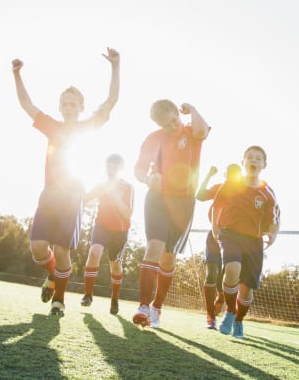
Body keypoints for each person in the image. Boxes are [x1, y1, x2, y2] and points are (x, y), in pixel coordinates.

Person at [12, 48, 120, 317]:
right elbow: (27, 105)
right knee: (38, 248)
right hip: (49, 195)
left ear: (80, 107)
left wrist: (115, 67)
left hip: (73, 198)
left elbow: (111, 101)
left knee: (62, 249)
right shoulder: (51, 126)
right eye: (64, 103)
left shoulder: (87, 127)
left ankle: (59, 301)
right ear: (59, 107)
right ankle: (52, 276)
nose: (68, 107)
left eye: (73, 104)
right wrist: (16, 75)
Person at [132, 99, 210, 328]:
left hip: (183, 203)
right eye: (166, 125)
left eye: (175, 120)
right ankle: (143, 307)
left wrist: (194, 109)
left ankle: (157, 307)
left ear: (178, 113)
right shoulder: (153, 139)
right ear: (158, 124)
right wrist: (148, 179)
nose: (173, 126)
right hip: (157, 198)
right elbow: (138, 170)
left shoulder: (191, 132)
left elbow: (202, 130)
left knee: (168, 257)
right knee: (154, 246)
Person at [212, 145, 280, 339]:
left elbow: (275, 219)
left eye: (258, 158)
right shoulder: (231, 185)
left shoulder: (267, 192)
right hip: (230, 234)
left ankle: (239, 321)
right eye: (249, 157)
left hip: (254, 241)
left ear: (264, 165)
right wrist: (215, 228)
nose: (253, 160)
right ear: (243, 162)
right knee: (232, 270)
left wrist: (273, 234)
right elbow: (217, 206)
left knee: (247, 289)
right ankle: (230, 312)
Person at [80, 153, 134, 315]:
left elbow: (127, 214)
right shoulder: (101, 185)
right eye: (108, 166)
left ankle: (115, 299)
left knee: (115, 264)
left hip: (120, 231)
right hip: (101, 225)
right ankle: (88, 295)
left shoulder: (127, 187)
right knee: (94, 252)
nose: (110, 170)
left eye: (114, 167)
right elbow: (85, 200)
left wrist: (115, 197)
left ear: (120, 169)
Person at [195, 163, 241, 329]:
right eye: (228, 174)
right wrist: (209, 174)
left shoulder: (244, 193)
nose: (231, 178)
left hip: (233, 239)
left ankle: (224, 304)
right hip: (215, 236)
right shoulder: (219, 188)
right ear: (225, 175)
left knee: (228, 278)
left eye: (235, 175)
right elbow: (199, 195)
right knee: (211, 274)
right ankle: (210, 316)